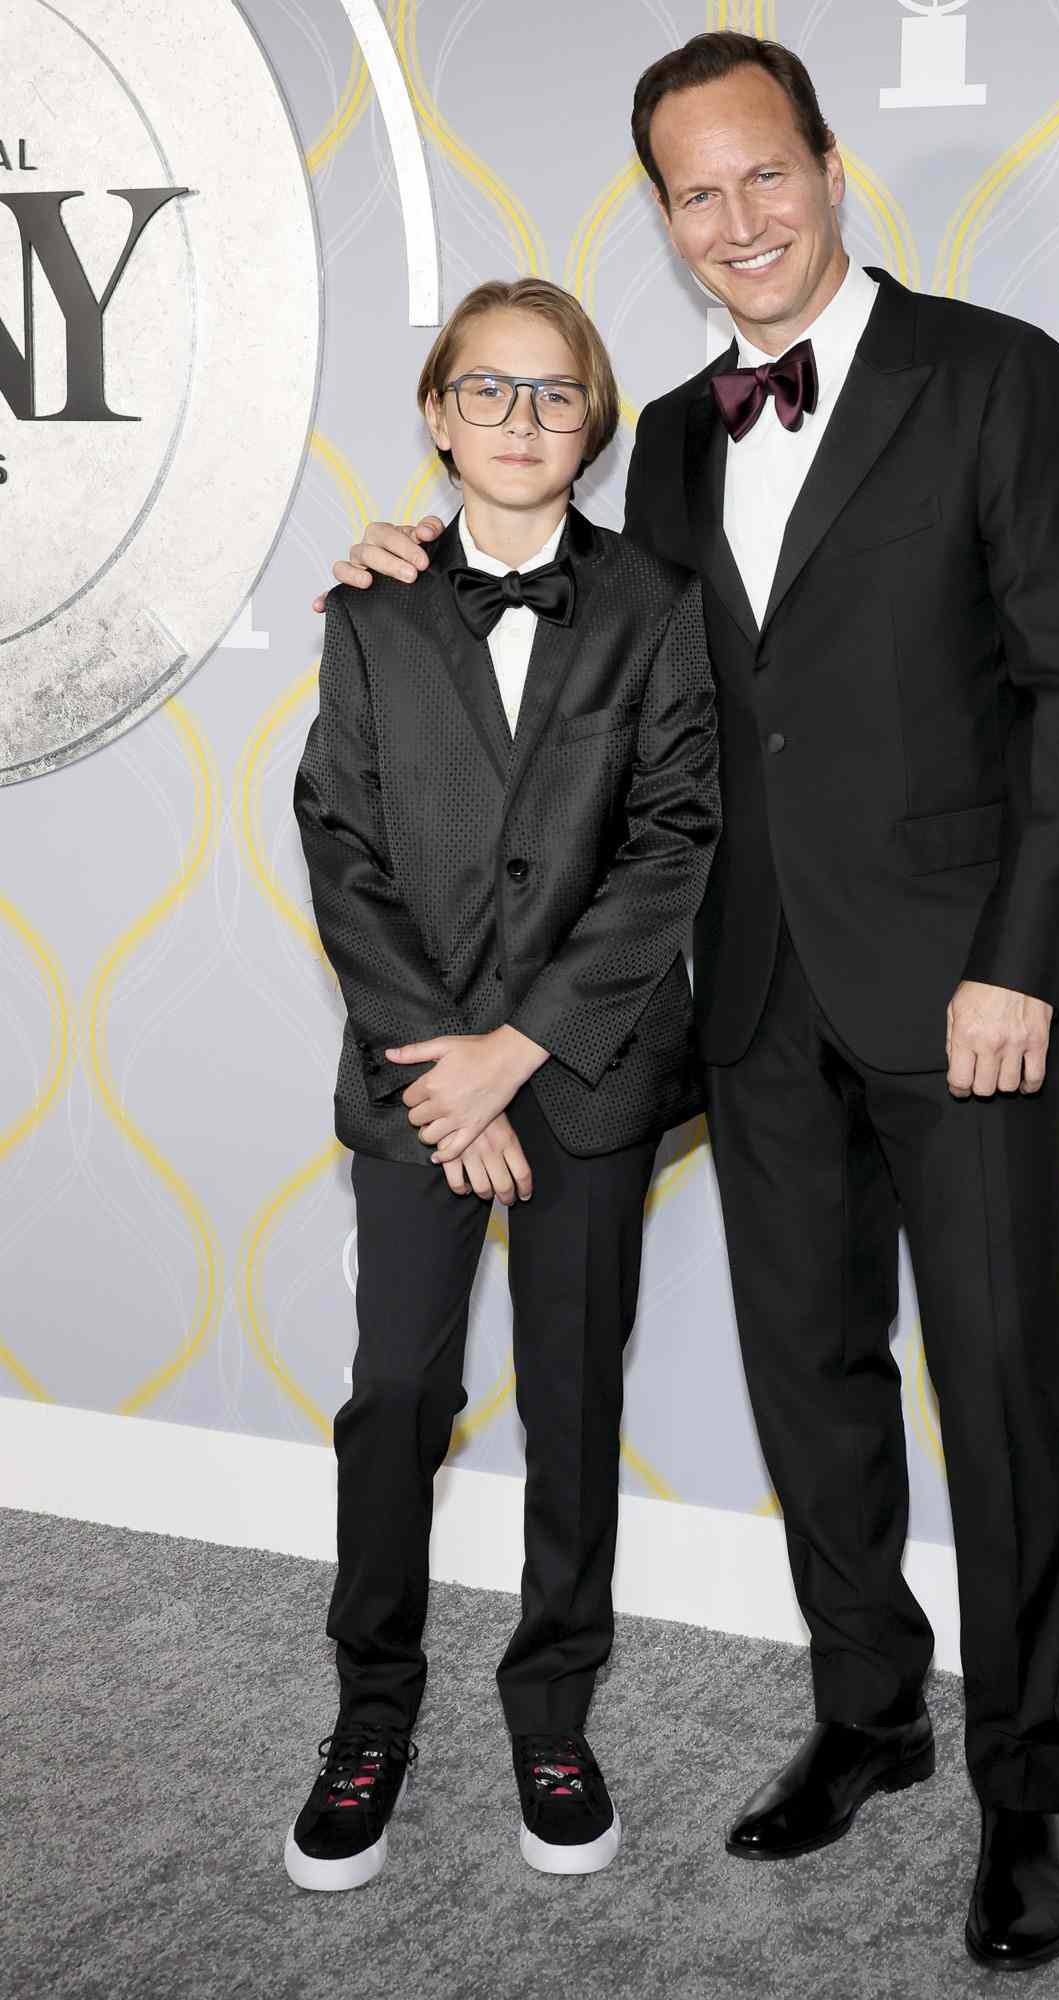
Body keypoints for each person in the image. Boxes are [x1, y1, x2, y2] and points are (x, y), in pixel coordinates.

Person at [319, 31, 1059, 1970]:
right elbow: (569, 604)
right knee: (811, 1378)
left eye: (762, 174)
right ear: (667, 222)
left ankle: (1025, 1793)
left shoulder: (1000, 379)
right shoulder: (669, 437)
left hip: (962, 998)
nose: (736, 218)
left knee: (1002, 1392)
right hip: (750, 995)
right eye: (695, 193)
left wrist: (1021, 952)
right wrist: (408, 553)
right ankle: (868, 1711)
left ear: (828, 168)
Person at [287, 276, 719, 1892]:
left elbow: (674, 835)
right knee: (395, 1397)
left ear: (591, 424)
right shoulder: (374, 607)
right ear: (436, 412)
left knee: (573, 1396)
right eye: (489, 391)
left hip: (587, 1074)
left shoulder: (657, 600)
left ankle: (553, 1705)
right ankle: (369, 1712)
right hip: (413, 1081)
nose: (521, 421)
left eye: (553, 395)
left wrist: (517, 1053)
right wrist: (445, 1078)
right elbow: (340, 840)